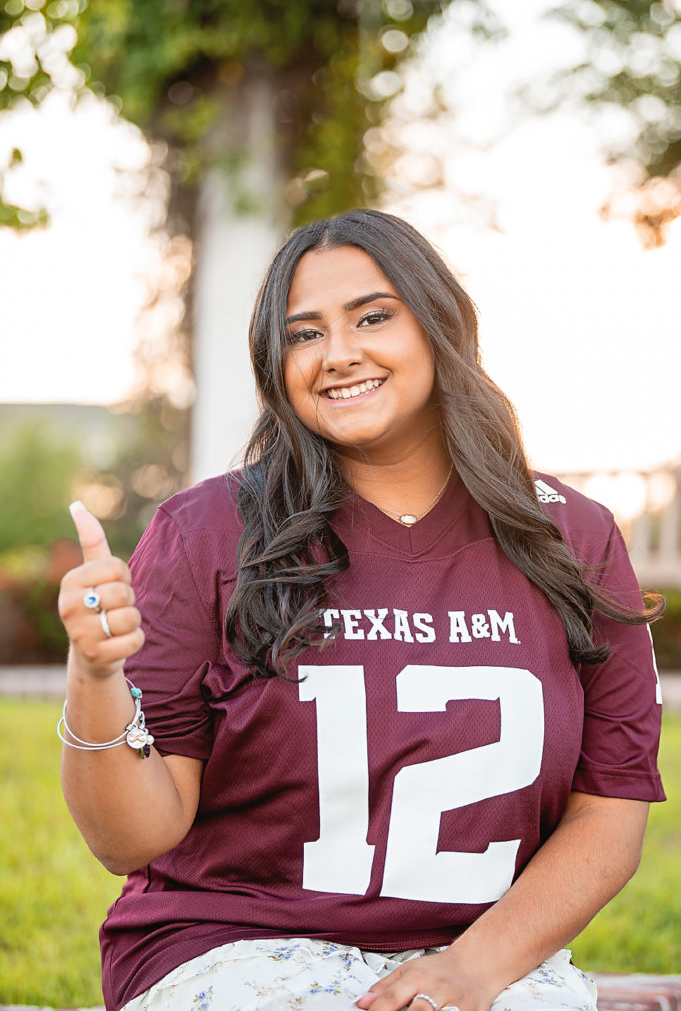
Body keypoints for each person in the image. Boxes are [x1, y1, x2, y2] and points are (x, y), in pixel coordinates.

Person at [58, 209, 665, 1011]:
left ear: (438, 326)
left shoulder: (571, 535)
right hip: (231, 950)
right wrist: (96, 673)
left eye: (373, 317)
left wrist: (474, 969)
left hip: (480, 954)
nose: (338, 354)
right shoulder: (203, 534)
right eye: (303, 334)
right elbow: (129, 840)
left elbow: (608, 809)